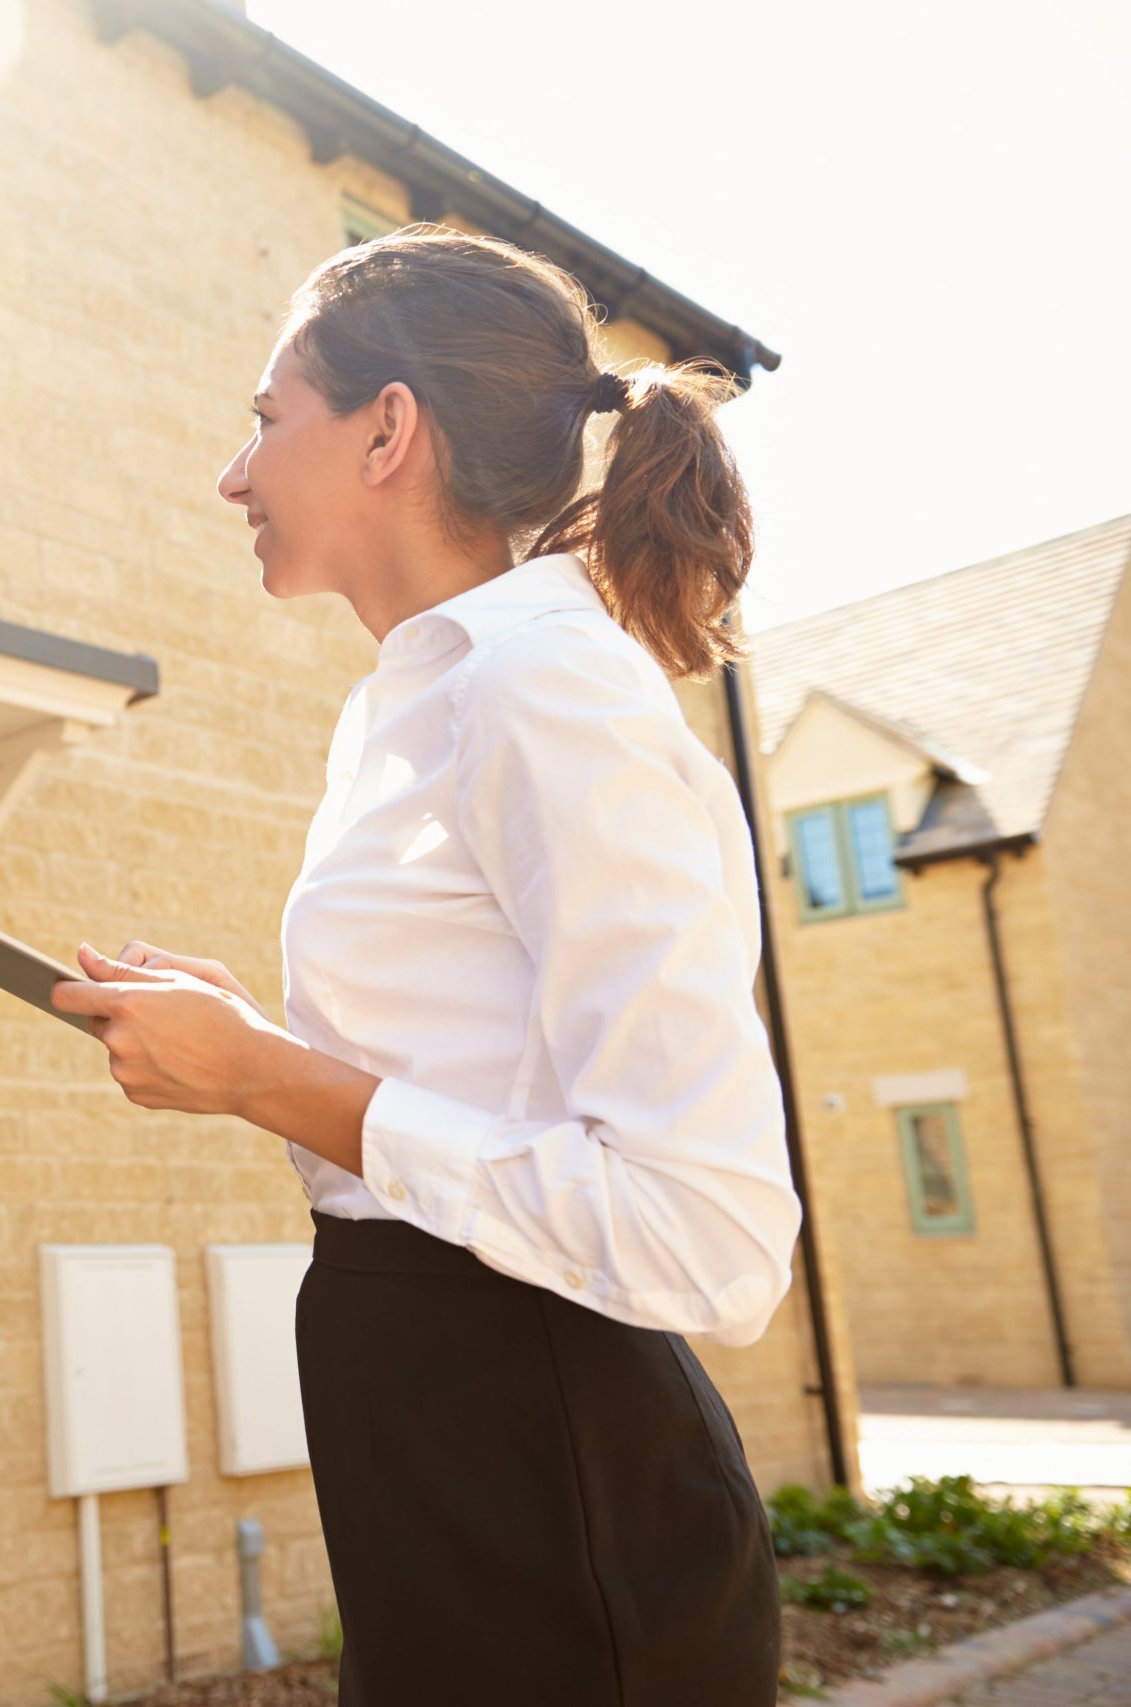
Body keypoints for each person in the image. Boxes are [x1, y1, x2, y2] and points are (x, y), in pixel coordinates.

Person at [48, 225, 800, 1706]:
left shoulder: (544, 690)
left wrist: (274, 1077)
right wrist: (264, 1059)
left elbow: (710, 1238)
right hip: (439, 1476)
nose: (232, 474)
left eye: (267, 421)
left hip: (566, 1523)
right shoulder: (413, 707)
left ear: (390, 428)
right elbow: (466, 1086)